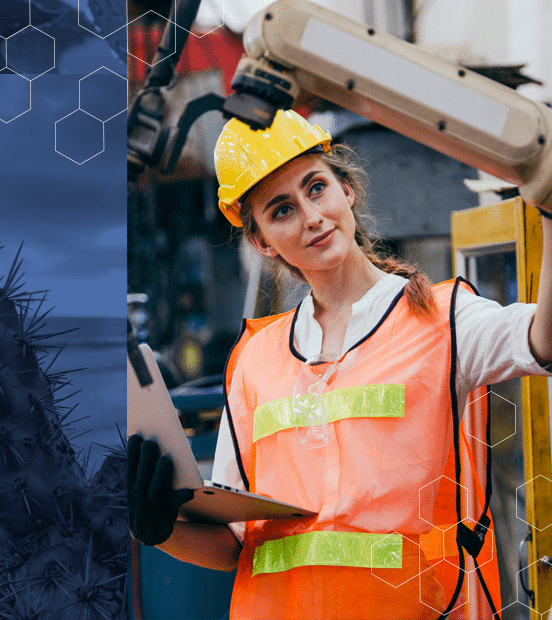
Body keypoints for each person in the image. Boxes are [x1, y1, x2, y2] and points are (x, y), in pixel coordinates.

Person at [128, 109, 552, 620]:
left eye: (316, 188)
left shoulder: (443, 319)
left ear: (346, 189)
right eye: (281, 210)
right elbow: (238, 547)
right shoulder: (254, 361)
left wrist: (547, 205)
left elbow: (542, 341)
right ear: (262, 241)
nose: (311, 216)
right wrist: (161, 528)